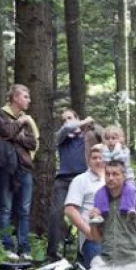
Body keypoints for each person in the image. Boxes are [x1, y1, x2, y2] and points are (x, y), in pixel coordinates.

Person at [63, 145, 113, 270]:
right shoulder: (81, 181)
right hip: (93, 239)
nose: (98, 160)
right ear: (88, 160)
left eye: (102, 156)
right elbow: (70, 209)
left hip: (114, 238)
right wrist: (87, 231)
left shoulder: (112, 178)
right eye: (94, 157)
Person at [0, 84, 39, 260]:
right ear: (16, 98)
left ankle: (24, 248)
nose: (29, 100)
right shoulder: (0, 115)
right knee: (5, 208)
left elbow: (32, 143)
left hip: (24, 167)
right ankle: (6, 247)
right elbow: (5, 131)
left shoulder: (26, 119)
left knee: (24, 210)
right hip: (5, 168)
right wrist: (19, 125)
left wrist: (16, 134)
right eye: (25, 97)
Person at [48, 109, 99, 260]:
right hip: (63, 180)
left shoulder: (87, 137)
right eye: (64, 119)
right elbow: (66, 129)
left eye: (70, 118)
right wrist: (83, 121)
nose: (67, 121)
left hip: (83, 180)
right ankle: (51, 253)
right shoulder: (61, 137)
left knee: (85, 216)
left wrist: (92, 125)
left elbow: (105, 135)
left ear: (76, 118)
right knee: (56, 214)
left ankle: (82, 253)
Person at [92, 126, 136, 219]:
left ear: (121, 139)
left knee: (130, 189)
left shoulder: (125, 150)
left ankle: (129, 208)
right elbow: (107, 159)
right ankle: (101, 211)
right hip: (112, 181)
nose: (110, 141)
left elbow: (119, 159)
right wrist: (109, 150)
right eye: (107, 138)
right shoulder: (104, 150)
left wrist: (117, 148)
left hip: (127, 178)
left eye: (113, 138)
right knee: (100, 192)